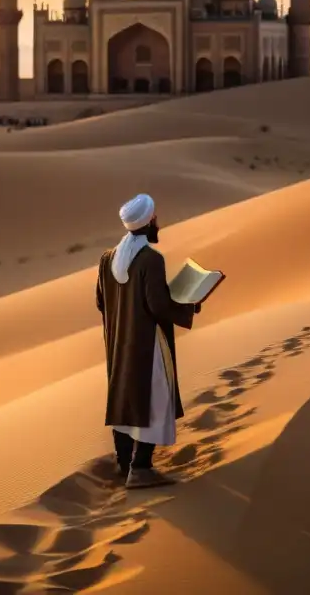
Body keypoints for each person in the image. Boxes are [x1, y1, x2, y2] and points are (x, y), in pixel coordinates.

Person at [96, 193, 201, 489]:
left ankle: (123, 463)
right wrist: (188, 305)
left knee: (126, 397)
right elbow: (157, 306)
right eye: (156, 218)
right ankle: (140, 468)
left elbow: (101, 301)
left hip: (120, 343)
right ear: (150, 221)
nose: (158, 223)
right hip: (148, 343)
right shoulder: (150, 260)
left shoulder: (107, 258)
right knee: (154, 399)